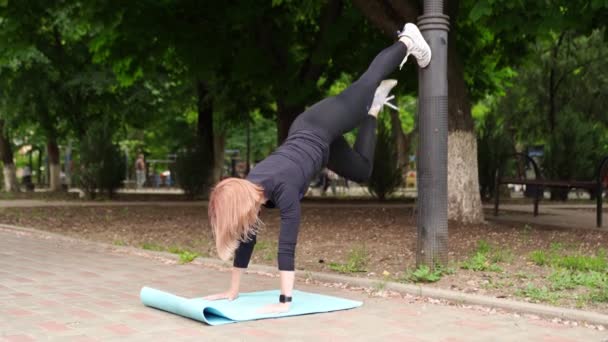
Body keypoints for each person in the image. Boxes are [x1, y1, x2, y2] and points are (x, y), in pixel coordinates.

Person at [205, 23, 431, 313]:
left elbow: (286, 247)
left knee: (365, 84)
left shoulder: (282, 189)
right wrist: (231, 291)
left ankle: (406, 40)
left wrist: (284, 303)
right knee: (362, 171)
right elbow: (246, 240)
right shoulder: (251, 190)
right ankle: (375, 108)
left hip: (319, 123)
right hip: (319, 146)